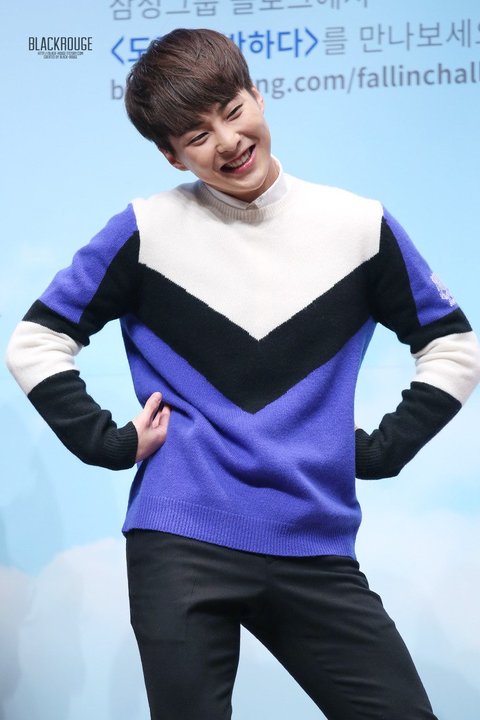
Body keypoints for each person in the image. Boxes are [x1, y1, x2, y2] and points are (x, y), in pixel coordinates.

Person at [6, 28, 480, 720]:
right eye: (197, 136)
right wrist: (107, 442)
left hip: (313, 539)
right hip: (180, 542)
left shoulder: (359, 226)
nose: (228, 142)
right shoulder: (145, 230)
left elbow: (452, 344)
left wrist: (383, 450)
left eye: (233, 111)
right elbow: (38, 340)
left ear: (258, 95)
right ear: (171, 154)